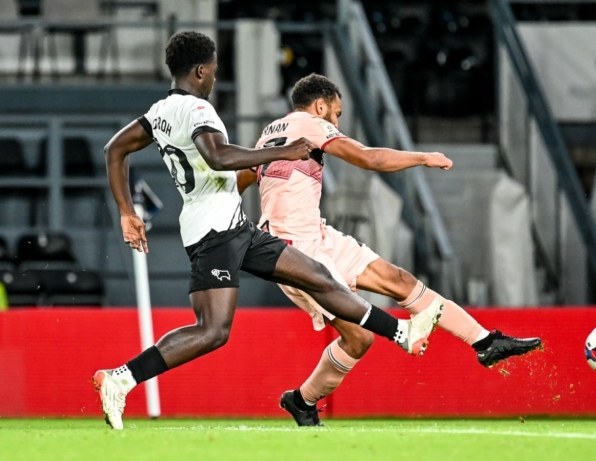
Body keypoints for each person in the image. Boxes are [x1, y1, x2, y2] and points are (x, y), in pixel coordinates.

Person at [92, 32, 442, 430]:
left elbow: (114, 150)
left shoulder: (159, 112)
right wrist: (283, 151)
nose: (214, 79)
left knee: (318, 276)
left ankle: (401, 331)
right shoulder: (196, 109)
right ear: (202, 70)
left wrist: (125, 211)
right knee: (212, 331)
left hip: (226, 225)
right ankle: (122, 378)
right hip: (217, 230)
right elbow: (218, 156)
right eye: (214, 71)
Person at [238, 73, 541, 427]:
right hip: (296, 253)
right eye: (336, 114)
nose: (337, 123)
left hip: (318, 236)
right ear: (320, 106)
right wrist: (423, 157)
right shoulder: (310, 123)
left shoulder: (270, 133)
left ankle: (485, 342)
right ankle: (303, 400)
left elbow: (242, 177)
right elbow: (370, 159)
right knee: (359, 338)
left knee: (398, 280)